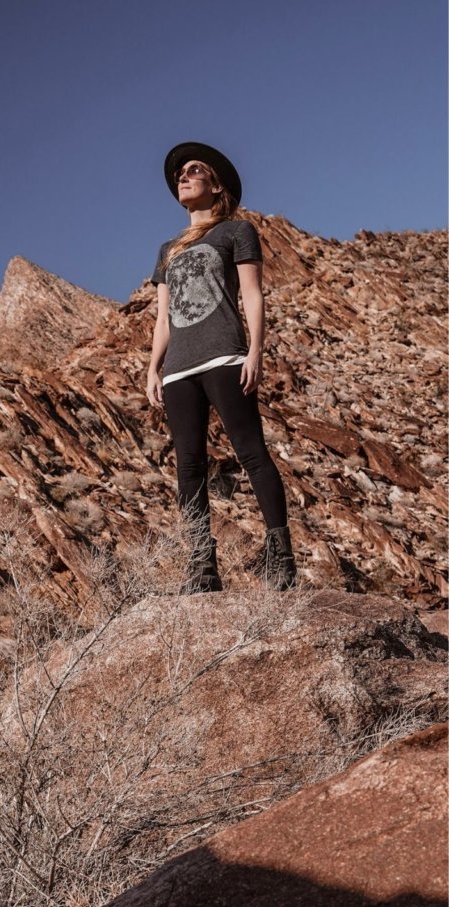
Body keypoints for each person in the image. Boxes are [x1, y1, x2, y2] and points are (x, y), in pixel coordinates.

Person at [145, 141, 297, 592]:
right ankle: (202, 566)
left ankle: (281, 555)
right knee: (188, 465)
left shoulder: (236, 231)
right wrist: (153, 369)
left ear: (216, 184)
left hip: (226, 356)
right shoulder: (167, 249)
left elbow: (252, 294)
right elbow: (163, 317)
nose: (183, 177)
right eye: (179, 174)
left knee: (251, 452)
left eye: (194, 170)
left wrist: (255, 352)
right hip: (178, 370)